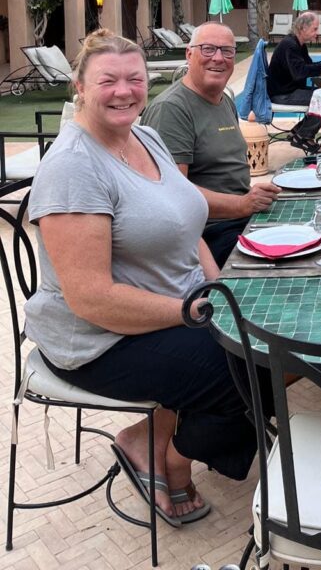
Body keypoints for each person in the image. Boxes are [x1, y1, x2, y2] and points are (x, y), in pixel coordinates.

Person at [24, 30, 259, 527]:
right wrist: (194, 311)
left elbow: (188, 224)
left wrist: (220, 290)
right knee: (247, 368)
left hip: (172, 310)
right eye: (107, 80)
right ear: (79, 87)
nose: (124, 91)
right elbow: (92, 300)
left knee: (258, 336)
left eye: (135, 79)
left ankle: (157, 433)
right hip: (100, 339)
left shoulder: (145, 138)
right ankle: (171, 456)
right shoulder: (73, 168)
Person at [142, 22, 279, 267]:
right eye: (208, 49)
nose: (218, 58)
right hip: (206, 234)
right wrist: (242, 205)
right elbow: (173, 194)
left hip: (240, 219)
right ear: (189, 53)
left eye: (227, 51)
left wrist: (251, 199)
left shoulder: (224, 100)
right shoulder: (171, 109)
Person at [266, 10, 321, 154]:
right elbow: (300, 73)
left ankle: (298, 131)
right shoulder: (290, 45)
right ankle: (303, 137)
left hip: (290, 89)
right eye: (315, 29)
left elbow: (309, 67)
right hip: (282, 94)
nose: (317, 33)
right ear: (303, 28)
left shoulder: (299, 45)